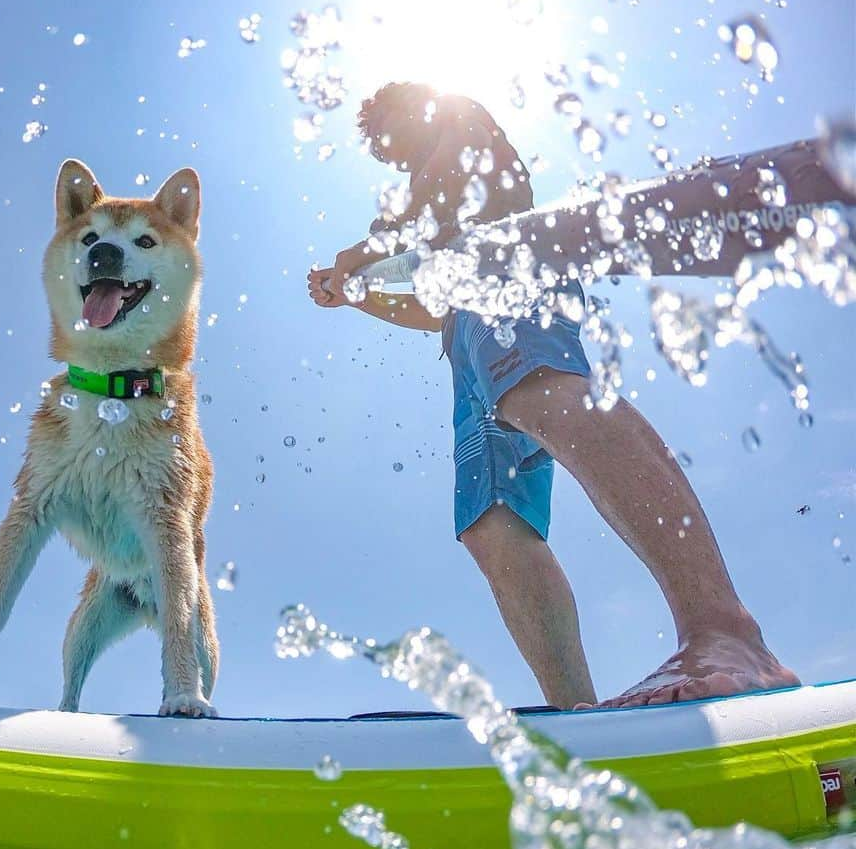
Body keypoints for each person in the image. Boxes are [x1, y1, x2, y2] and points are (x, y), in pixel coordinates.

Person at [307, 82, 799, 709]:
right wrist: (359, 295)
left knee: (543, 398)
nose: (390, 156)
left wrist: (364, 249)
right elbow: (433, 310)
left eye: (389, 139)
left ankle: (726, 632)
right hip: (464, 332)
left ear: (412, 109)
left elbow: (434, 211)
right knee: (490, 522)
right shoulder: (411, 197)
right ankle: (577, 713)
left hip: (512, 269)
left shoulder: (460, 117)